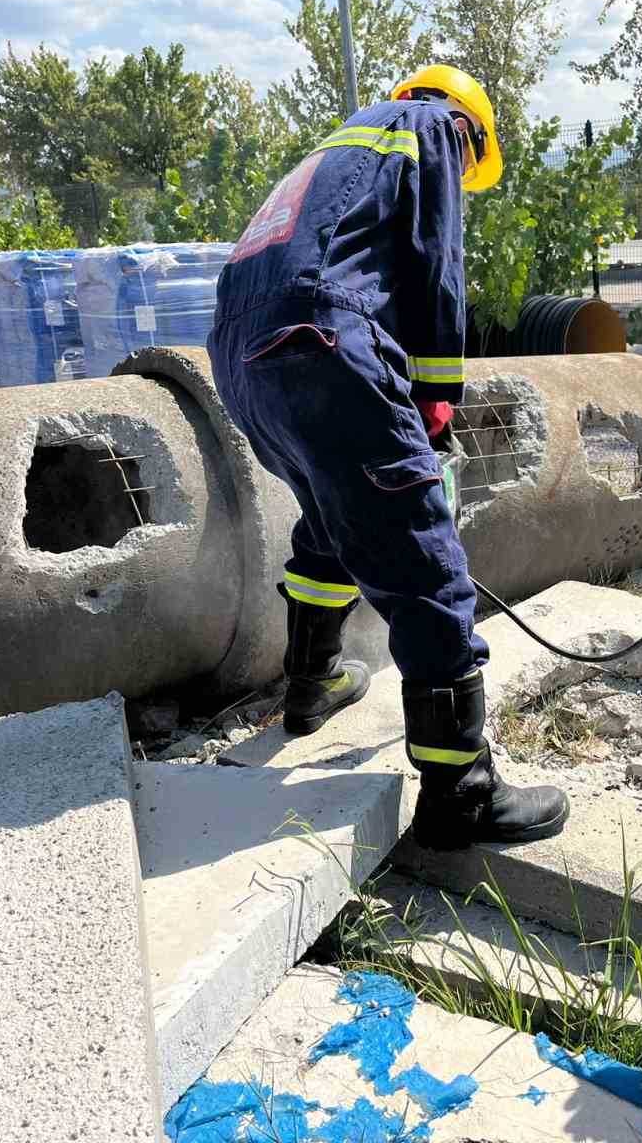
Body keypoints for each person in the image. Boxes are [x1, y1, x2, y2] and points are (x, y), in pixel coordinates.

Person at [206, 65, 569, 851]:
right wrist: (436, 404)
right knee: (422, 554)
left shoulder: (332, 155)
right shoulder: (433, 127)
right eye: (475, 170)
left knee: (334, 515)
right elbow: (435, 265)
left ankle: (311, 686)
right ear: (471, 129)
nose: (467, 179)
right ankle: (460, 792)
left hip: (243, 358)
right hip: (320, 343)